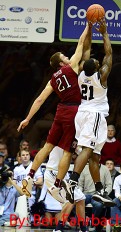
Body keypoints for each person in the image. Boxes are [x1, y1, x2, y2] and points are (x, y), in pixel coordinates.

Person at [17, 23, 91, 201]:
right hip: (73, 111)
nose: (68, 56)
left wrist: (27, 119)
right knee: (67, 151)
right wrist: (89, 26)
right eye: (65, 56)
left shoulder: (52, 80)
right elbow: (81, 43)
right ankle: (57, 185)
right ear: (61, 62)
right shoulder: (71, 67)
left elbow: (40, 100)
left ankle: (29, 176)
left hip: (61, 111)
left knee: (47, 146)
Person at [65, 20, 114, 206]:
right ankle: (72, 181)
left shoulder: (81, 75)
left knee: (95, 155)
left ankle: (99, 190)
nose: (96, 58)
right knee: (87, 149)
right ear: (96, 67)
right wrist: (104, 33)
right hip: (93, 115)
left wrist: (89, 30)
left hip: (84, 113)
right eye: (95, 60)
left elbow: (86, 49)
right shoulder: (101, 76)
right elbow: (109, 53)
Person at [42, 146, 87, 232]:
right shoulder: (63, 137)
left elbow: (77, 154)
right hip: (54, 172)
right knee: (71, 199)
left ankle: (83, 229)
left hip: (62, 173)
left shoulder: (69, 138)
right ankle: (58, 229)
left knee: (81, 198)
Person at [78, 161, 112, 232]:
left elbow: (109, 185)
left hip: (98, 194)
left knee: (99, 205)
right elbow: (80, 185)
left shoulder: (105, 169)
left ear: (99, 158)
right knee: (76, 202)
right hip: (86, 194)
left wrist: (104, 194)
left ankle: (92, 221)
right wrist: (79, 194)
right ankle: (81, 224)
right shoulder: (84, 168)